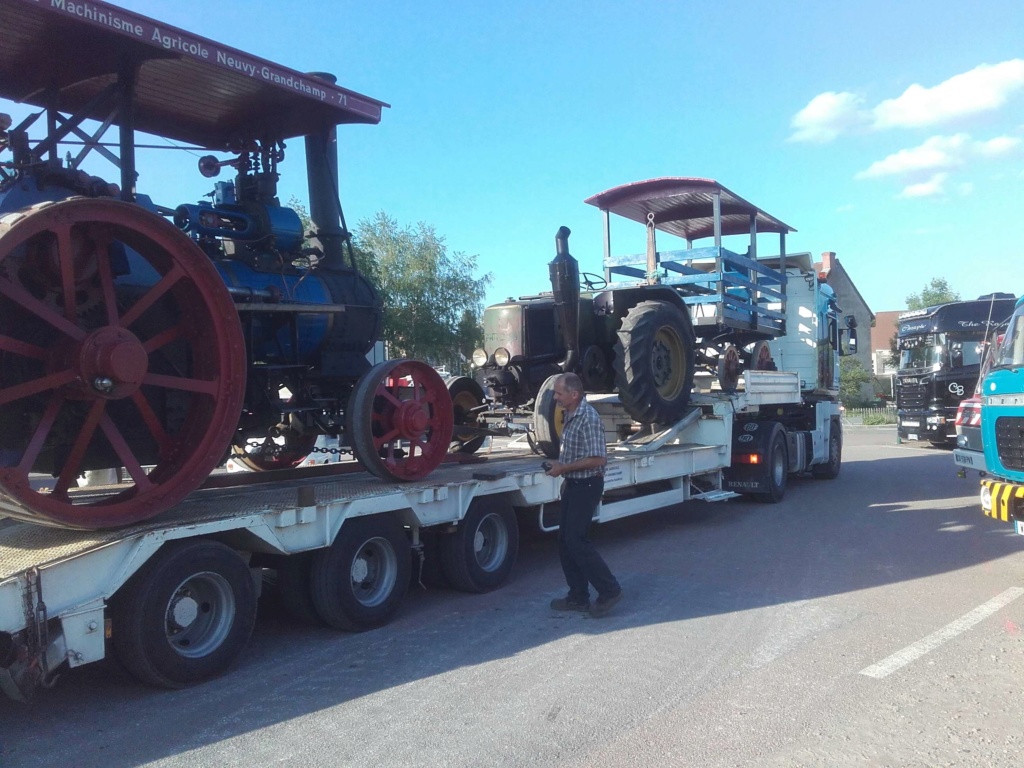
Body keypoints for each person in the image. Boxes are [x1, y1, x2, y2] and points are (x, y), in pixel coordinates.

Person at [543, 372, 622, 617]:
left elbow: (598, 458)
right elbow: (578, 453)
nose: (555, 397)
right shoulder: (570, 414)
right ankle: (577, 596)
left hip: (587, 485)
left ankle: (610, 590)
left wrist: (563, 468)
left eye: (558, 393)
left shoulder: (587, 417)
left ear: (574, 394)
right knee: (565, 542)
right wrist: (561, 466)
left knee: (577, 541)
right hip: (574, 484)